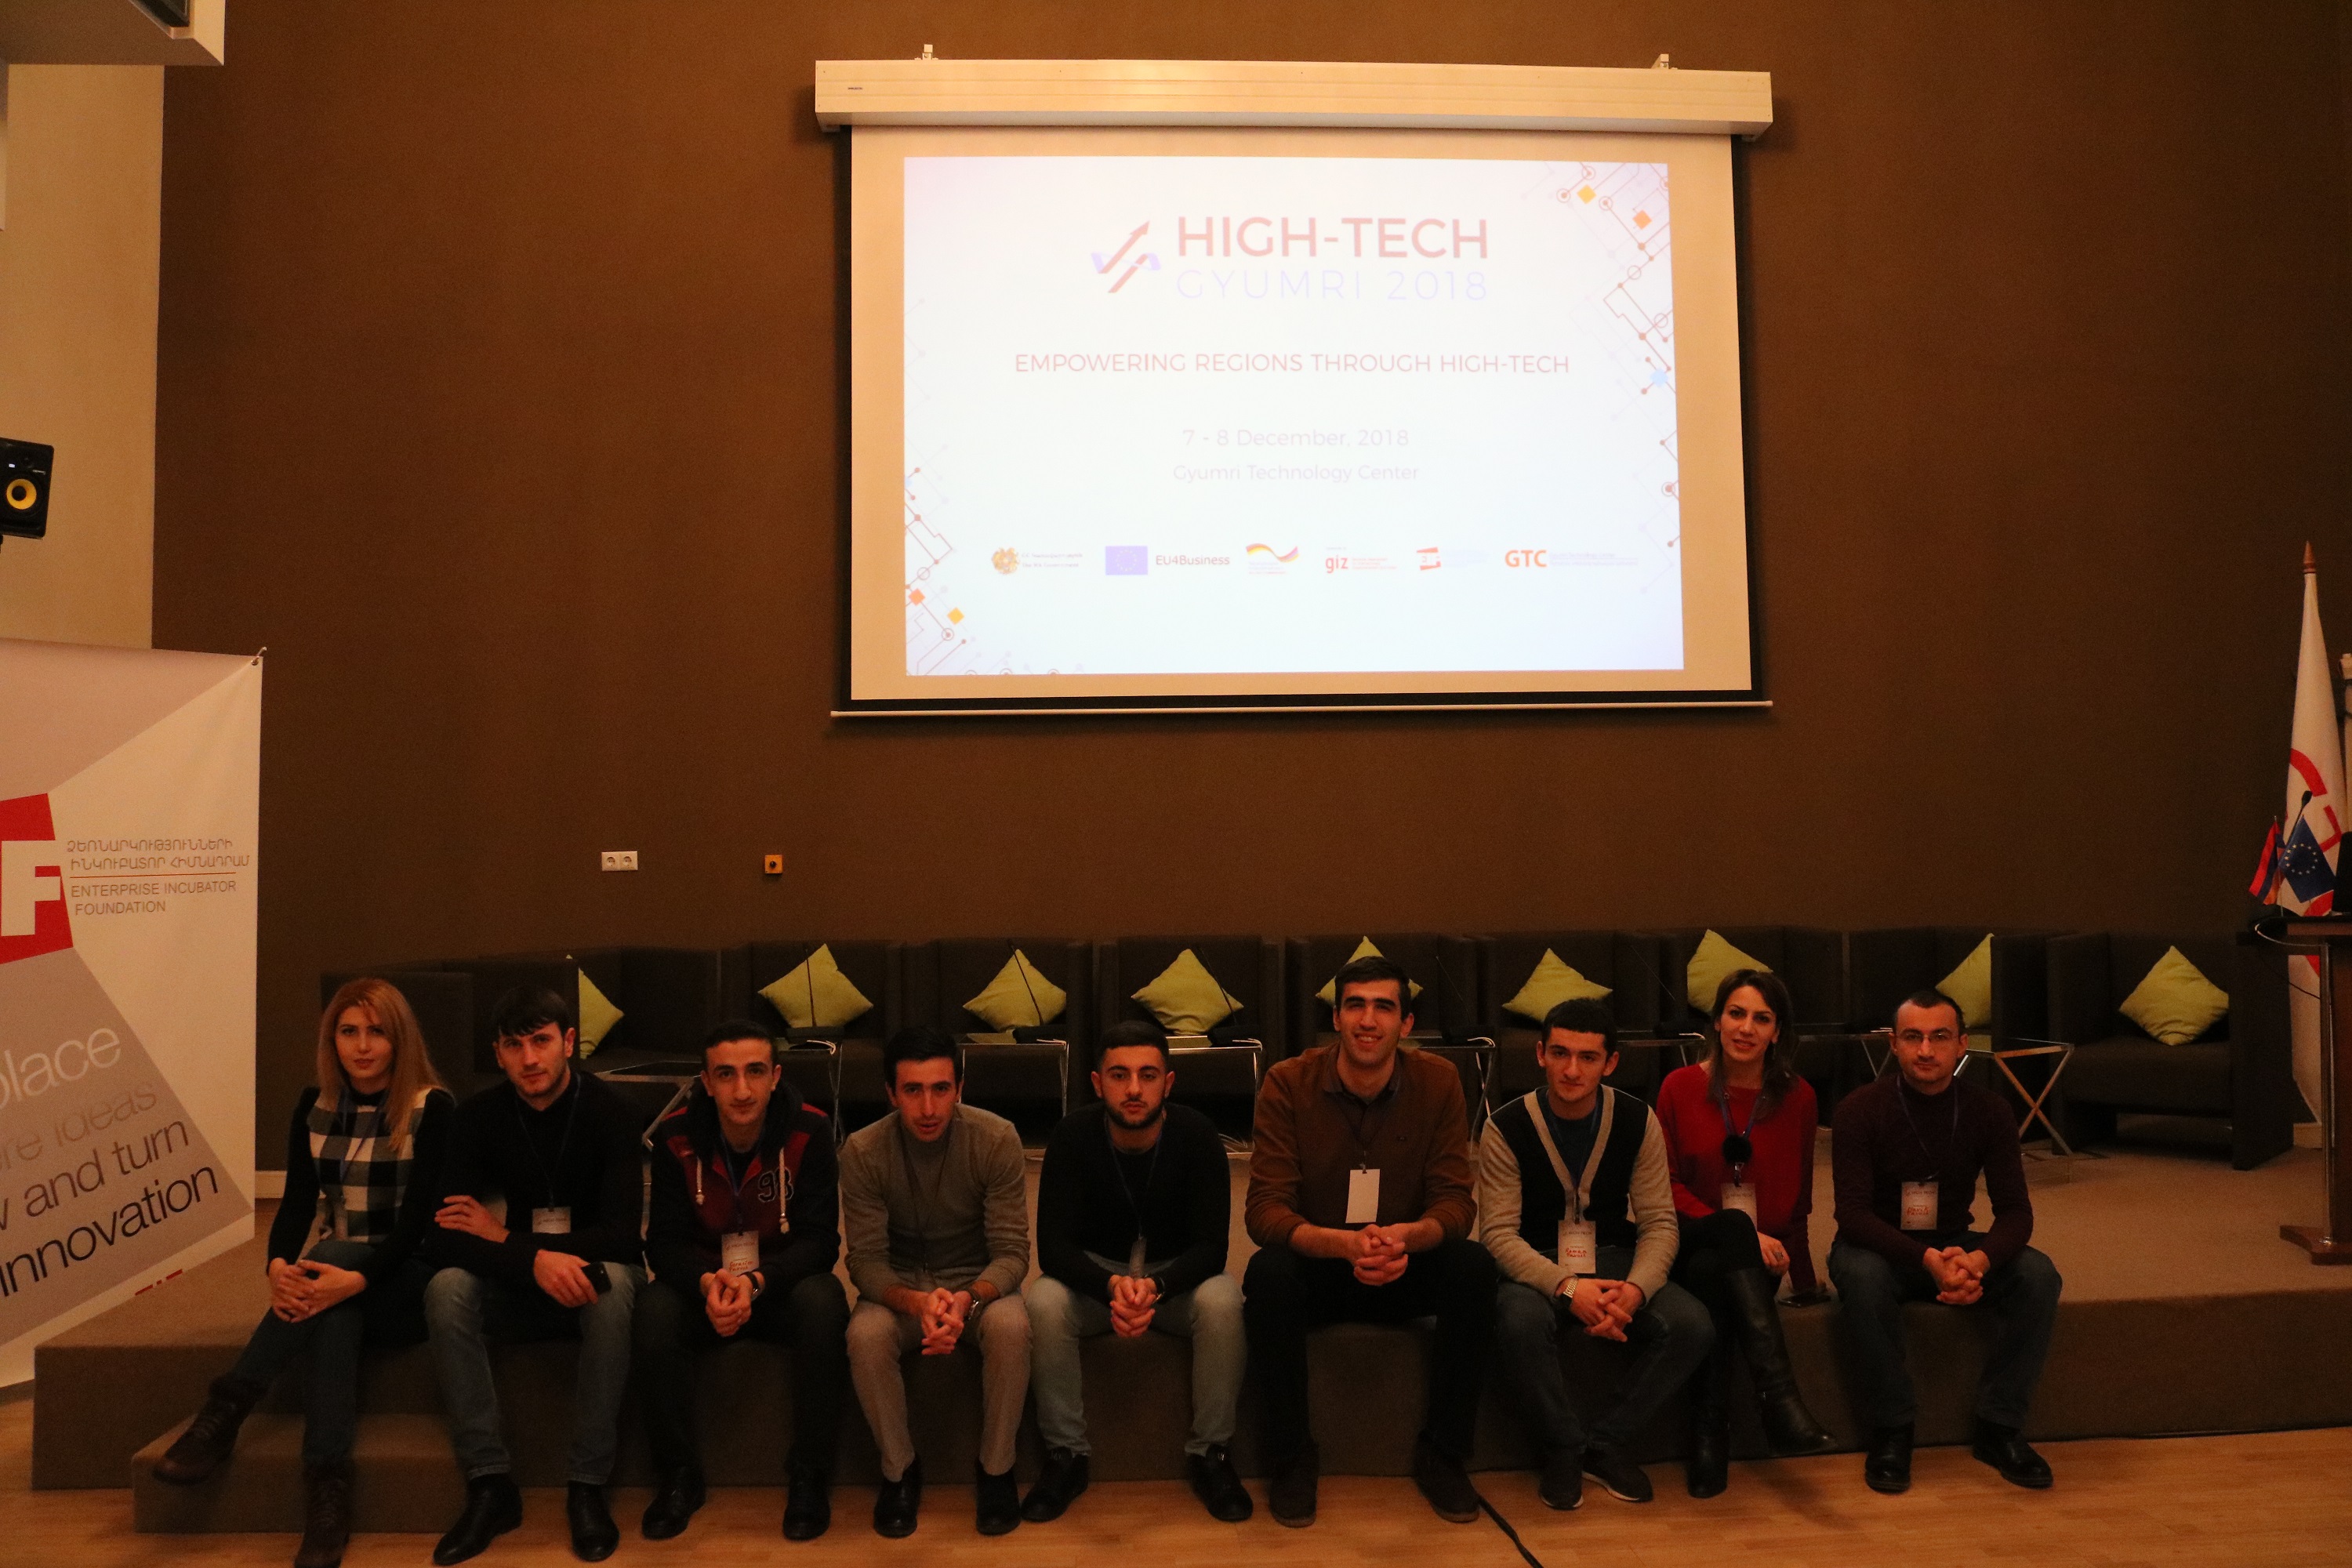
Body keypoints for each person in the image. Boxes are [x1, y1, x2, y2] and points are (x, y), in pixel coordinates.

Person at [151, 978, 454, 1568]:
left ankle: (227, 1409)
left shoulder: (431, 1108)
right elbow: (295, 1203)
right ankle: (327, 1490)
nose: (362, 1046)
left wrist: (355, 1278)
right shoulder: (314, 1107)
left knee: (334, 1266)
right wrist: (277, 1266)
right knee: (331, 1312)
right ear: (331, 1039)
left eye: (377, 1032)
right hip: (334, 1277)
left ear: (399, 1039)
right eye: (348, 1032)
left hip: (409, 1276)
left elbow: (420, 1223)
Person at [1243, 953, 1494, 1528]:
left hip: (1405, 1262)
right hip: (1322, 1264)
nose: (1368, 1020)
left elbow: (1456, 1203)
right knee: (1267, 1274)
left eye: (1384, 1007)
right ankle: (1291, 1458)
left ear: (1406, 1023)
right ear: (1336, 1018)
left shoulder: (1438, 1082)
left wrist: (1409, 1238)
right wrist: (1342, 1245)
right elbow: (1265, 1211)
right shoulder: (1287, 1082)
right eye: (1355, 1005)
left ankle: (1445, 1453)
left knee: (1474, 1267)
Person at [422, 987, 648, 1563]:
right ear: (497, 1053)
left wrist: (507, 1240)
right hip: (519, 1280)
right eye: (513, 1046)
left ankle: (587, 1484)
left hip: (590, 1275)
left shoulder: (613, 1112)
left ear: (568, 1043)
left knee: (613, 1284)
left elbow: (623, 1236)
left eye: (541, 1041)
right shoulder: (477, 1117)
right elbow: (442, 1235)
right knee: (446, 1289)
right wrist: (532, 1262)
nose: (529, 1059)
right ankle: (489, 1483)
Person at [1479, 996, 1711, 1511]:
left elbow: (1659, 1222)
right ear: (1540, 1054)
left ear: (1610, 1063)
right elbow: (1497, 1235)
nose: (1571, 1070)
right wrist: (1568, 1289)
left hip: (1612, 1255)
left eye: (1588, 1057)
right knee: (1516, 1322)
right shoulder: (1505, 1126)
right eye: (1560, 1053)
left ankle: (1605, 1444)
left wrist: (1637, 1290)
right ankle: (1563, 1446)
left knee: (1691, 1324)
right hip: (1535, 1262)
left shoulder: (1637, 1119)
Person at [1829, 989, 2064, 1494]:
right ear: (1894, 1044)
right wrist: (1925, 1260)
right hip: (1879, 1245)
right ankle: (1892, 1430)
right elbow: (1852, 1215)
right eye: (1913, 1037)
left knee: (2038, 1275)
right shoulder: (1859, 1109)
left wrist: (1978, 1260)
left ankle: (1999, 1427)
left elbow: (2016, 1212)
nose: (1926, 1051)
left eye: (1939, 1037)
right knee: (1862, 1277)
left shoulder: (1990, 1110)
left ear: (1962, 1044)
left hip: (1957, 1243)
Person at [1022, 1020, 1250, 1525]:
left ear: (1168, 1083)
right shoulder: (1071, 1136)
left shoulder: (1198, 1135)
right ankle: (1066, 1454)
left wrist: (1156, 1287)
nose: (1133, 1089)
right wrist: (1110, 1287)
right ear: (1096, 1082)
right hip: (1095, 1277)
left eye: (1147, 1076)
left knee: (1223, 1301)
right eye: (1119, 1075)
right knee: (1042, 1301)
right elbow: (1054, 1249)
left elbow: (1212, 1249)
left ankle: (1210, 1453)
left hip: (1175, 1279)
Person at [633, 1019, 848, 1541]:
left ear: (775, 1076)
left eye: (755, 1072)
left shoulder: (812, 1130)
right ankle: (679, 1475)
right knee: (653, 1310)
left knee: (825, 1300)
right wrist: (708, 1284)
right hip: (706, 1288)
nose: (742, 1089)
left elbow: (821, 1242)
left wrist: (756, 1283)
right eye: (726, 1075)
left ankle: (810, 1473)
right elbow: (662, 1243)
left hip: (778, 1286)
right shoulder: (674, 1137)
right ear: (707, 1083)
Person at [840, 1026, 1033, 1537]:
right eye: (913, 1090)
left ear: (960, 1088)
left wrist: (967, 1299)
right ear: (891, 1093)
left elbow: (1012, 1253)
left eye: (941, 1089)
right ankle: (899, 1470)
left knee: (1013, 1327)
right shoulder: (863, 1150)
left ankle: (996, 1469)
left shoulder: (996, 1139)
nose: (928, 1108)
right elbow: (865, 1263)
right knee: (865, 1335)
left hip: (976, 1282)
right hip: (903, 1285)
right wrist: (917, 1302)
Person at [1652, 970, 1835, 1497]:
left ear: (1777, 1032)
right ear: (1716, 1022)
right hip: (1689, 1240)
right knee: (1724, 1242)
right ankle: (1780, 1406)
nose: (1746, 1028)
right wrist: (1743, 1233)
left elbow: (1800, 1195)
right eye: (1736, 1014)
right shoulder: (1679, 1087)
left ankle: (1709, 1432)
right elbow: (1665, 1188)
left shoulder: (1799, 1097)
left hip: (1758, 1262)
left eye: (1762, 1018)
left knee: (1718, 1276)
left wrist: (1802, 1275)